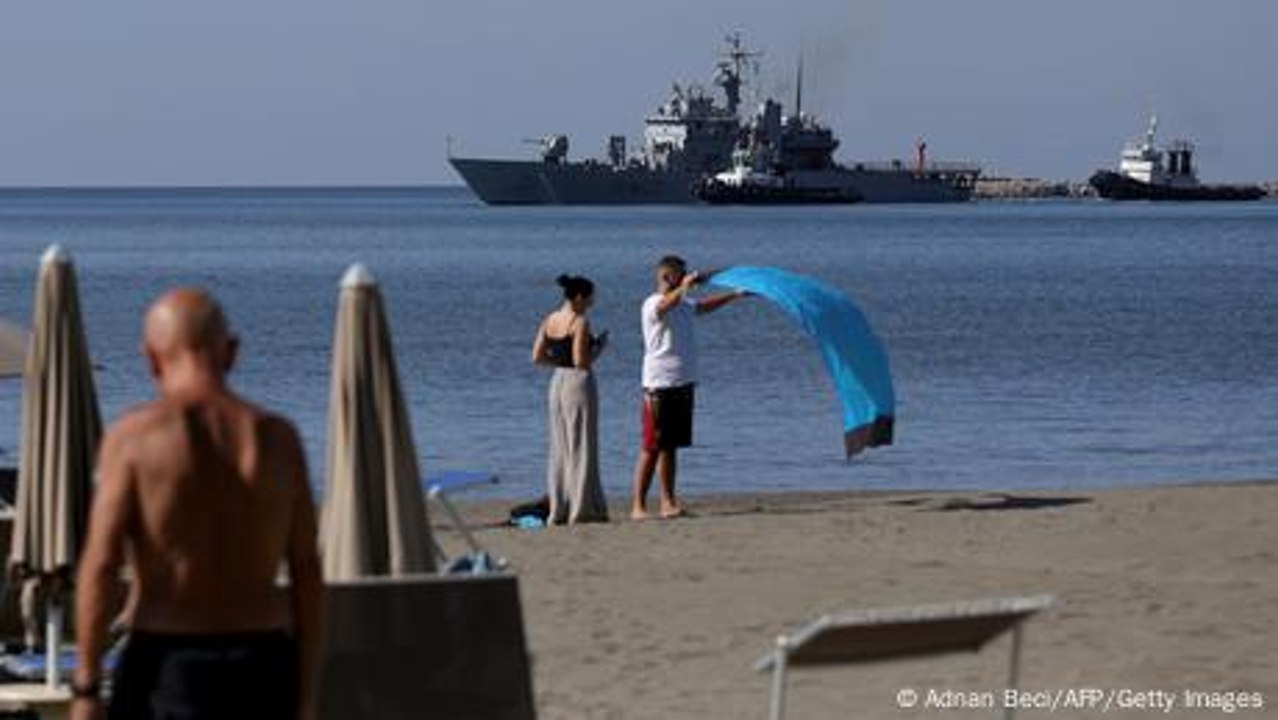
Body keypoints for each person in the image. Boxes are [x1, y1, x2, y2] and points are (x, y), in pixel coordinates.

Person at [73, 289, 324, 720]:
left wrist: (86, 686)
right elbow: (307, 571)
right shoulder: (279, 441)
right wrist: (307, 693)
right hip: (263, 663)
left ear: (151, 358)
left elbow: (100, 565)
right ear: (231, 352)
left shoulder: (134, 440)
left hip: (167, 664)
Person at [630, 256, 746, 520]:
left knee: (670, 447)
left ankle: (667, 503)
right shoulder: (652, 303)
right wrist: (686, 286)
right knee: (651, 447)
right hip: (658, 385)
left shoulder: (682, 302)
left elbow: (702, 307)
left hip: (682, 382)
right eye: (680, 276)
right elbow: (664, 306)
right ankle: (638, 506)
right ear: (667, 277)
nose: (685, 281)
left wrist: (734, 295)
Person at [531, 274, 609, 524]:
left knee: (560, 446)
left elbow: (537, 356)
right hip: (577, 383)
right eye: (590, 298)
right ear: (578, 297)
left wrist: (559, 362)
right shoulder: (579, 321)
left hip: (557, 382)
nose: (592, 302)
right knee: (582, 444)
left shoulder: (550, 319)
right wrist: (599, 348)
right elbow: (580, 362)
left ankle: (560, 506)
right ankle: (581, 508)